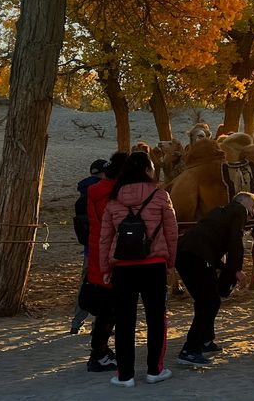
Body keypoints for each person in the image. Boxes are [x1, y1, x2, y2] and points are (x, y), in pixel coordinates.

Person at [99, 151, 178, 388]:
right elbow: (172, 233)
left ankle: (125, 375)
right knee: (156, 319)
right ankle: (155, 370)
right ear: (148, 169)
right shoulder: (161, 196)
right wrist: (171, 263)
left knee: (124, 322)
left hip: (123, 267)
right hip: (153, 266)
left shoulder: (114, 200)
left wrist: (105, 267)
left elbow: (105, 237)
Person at [175, 192, 254, 366]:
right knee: (209, 301)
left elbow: (209, 242)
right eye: (252, 207)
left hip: (184, 253)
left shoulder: (219, 213)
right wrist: (236, 270)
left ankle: (205, 339)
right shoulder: (238, 211)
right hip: (196, 257)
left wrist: (225, 268)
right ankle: (190, 350)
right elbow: (236, 242)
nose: (253, 212)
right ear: (242, 203)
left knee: (205, 299)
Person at [83, 152, 128, 372]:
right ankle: (98, 354)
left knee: (107, 308)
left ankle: (100, 351)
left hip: (97, 255)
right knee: (109, 310)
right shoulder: (111, 196)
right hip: (110, 258)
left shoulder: (96, 192)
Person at [70, 158, 107, 334]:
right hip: (105, 247)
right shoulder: (104, 192)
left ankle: (76, 323)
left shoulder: (83, 195)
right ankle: (98, 324)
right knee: (105, 286)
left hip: (88, 249)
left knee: (86, 286)